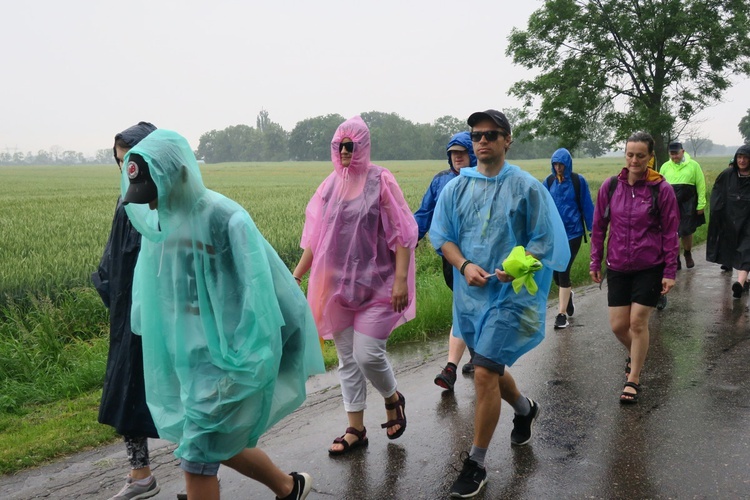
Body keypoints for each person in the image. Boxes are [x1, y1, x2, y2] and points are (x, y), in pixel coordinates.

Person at [121, 129, 325, 500]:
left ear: (180, 173)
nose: (151, 206)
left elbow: (258, 295)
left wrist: (247, 358)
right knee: (214, 443)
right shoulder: (162, 223)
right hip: (190, 362)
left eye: (156, 195)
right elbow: (154, 294)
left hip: (231, 360)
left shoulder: (225, 218)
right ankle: (288, 487)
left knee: (197, 453)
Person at [430, 109, 569, 498]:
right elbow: (441, 235)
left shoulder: (527, 187)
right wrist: (463, 264)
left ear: (508, 140)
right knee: (490, 366)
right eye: (477, 136)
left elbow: (545, 243)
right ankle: (525, 409)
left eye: (492, 134)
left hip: (511, 297)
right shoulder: (456, 188)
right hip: (471, 298)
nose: (483, 141)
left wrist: (518, 266)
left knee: (486, 372)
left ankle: (475, 463)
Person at [292, 115, 417, 456]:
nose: (345, 151)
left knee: (367, 354)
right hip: (337, 290)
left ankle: (393, 398)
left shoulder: (381, 180)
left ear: (363, 146)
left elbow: (403, 233)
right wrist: (297, 275)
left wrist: (401, 281)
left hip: (379, 286)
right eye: (339, 146)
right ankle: (356, 429)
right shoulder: (329, 186)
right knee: (348, 360)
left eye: (351, 145)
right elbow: (315, 240)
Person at [91, 121, 161, 500]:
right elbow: (116, 258)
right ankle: (140, 473)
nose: (125, 169)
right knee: (127, 388)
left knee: (181, 393)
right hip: (128, 315)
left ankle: (199, 474)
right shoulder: (125, 201)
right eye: (120, 163)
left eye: (130, 160)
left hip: (163, 316)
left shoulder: (172, 200)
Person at [590, 132, 679, 405]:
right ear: (625, 155)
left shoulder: (660, 189)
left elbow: (670, 231)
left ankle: (634, 378)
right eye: (630, 154)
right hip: (617, 264)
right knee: (619, 326)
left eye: (641, 155)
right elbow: (599, 226)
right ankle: (638, 353)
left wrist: (669, 271)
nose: (634, 160)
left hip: (649, 265)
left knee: (637, 321)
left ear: (650, 157)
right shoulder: (611, 187)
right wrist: (595, 260)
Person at [414, 131, 477, 390]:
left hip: (478, 256)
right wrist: (411, 238)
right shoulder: (440, 180)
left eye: (461, 152)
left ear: (471, 154)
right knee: (466, 307)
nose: (457, 157)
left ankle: (451, 367)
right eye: (452, 153)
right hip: (449, 258)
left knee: (464, 306)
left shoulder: (484, 180)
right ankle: (478, 356)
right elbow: (425, 212)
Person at [544, 148, 595, 329]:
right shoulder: (549, 182)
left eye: (561, 164)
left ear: (567, 164)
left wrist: (592, 229)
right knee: (556, 275)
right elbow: (541, 207)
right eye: (555, 164)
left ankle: (561, 314)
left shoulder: (577, 181)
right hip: (554, 235)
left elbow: (587, 206)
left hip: (573, 233)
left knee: (563, 270)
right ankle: (568, 297)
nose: (558, 168)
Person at [706, 145, 750, 298]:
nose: (742, 160)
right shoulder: (727, 175)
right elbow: (717, 194)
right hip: (730, 220)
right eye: (739, 157)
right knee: (733, 249)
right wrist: (717, 213)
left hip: (748, 221)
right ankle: (743, 281)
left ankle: (740, 282)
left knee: (746, 250)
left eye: (745, 157)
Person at [659, 141, 707, 271]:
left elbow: (700, 185)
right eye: (672, 154)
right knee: (673, 232)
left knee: (686, 230)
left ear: (683, 151)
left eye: (676, 154)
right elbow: (660, 186)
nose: (674, 157)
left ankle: (687, 253)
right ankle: (675, 258)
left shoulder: (693, 165)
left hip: (688, 203)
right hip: (670, 204)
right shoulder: (665, 167)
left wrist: (701, 204)